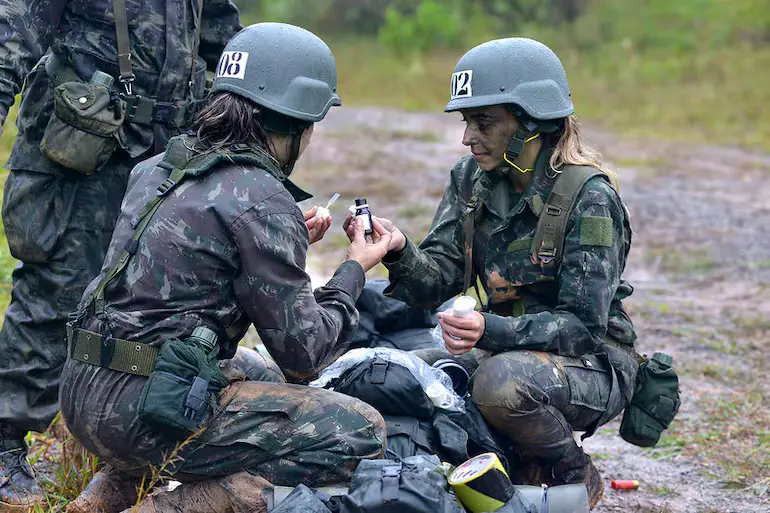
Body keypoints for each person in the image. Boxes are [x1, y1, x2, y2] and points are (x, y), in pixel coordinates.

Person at [59, 22, 389, 513]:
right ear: (297, 123)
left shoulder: (156, 168)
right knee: (358, 431)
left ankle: (109, 491)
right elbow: (306, 353)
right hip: (140, 414)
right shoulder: (261, 198)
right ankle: (170, 507)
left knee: (255, 369)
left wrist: (276, 235)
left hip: (82, 391)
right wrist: (354, 269)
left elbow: (191, 259)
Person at [348, 37, 639, 509]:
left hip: (593, 364)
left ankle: (571, 469)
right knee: (407, 374)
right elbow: (438, 278)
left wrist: (489, 329)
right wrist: (398, 250)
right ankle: (509, 457)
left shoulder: (589, 197)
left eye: (484, 122)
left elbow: (584, 328)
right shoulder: (471, 180)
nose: (468, 137)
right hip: (507, 348)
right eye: (467, 122)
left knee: (497, 385)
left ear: (531, 123)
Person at [0, 1, 244, 507]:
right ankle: (2, 449)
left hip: (164, 156)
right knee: (53, 300)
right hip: (79, 153)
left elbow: (223, 41)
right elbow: (12, 33)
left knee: (151, 305)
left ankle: (117, 446)